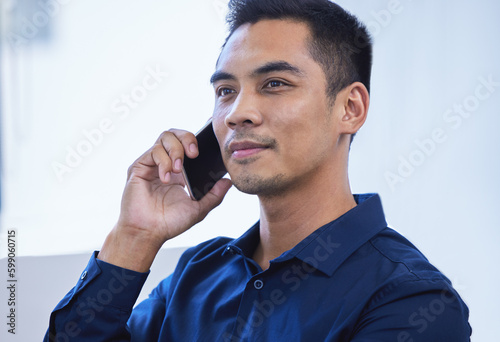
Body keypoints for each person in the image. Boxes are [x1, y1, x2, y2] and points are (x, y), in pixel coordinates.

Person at [45, 0, 471, 341]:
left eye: (275, 84)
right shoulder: (196, 275)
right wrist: (133, 237)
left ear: (350, 108)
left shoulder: (409, 301)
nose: (237, 113)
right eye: (226, 91)